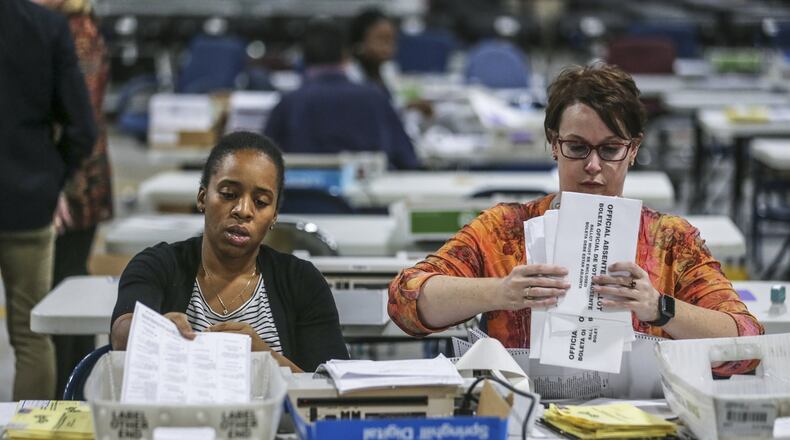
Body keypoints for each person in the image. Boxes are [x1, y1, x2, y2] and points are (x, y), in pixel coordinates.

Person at [388, 63, 763, 376]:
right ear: (554, 143)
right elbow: (405, 300)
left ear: (633, 150)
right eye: (577, 147)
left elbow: (748, 343)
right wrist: (499, 292)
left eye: (611, 149)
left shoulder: (670, 241)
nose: (593, 166)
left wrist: (659, 308)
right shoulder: (504, 230)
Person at [111, 132, 348, 372]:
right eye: (228, 195)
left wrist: (263, 358)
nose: (243, 210)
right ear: (202, 198)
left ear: (274, 215)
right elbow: (121, 337)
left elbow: (328, 387)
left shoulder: (302, 281)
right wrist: (154, 329)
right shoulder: (157, 265)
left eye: (261, 202)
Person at [0, 0, 96, 399]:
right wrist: (54, 175)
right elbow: (83, 127)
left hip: (30, 194)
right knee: (31, 334)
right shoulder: (47, 27)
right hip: (28, 199)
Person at [32, 0, 114, 397]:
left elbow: (80, 117)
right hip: (64, 180)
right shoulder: (55, 27)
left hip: (76, 186)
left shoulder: (79, 33)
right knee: (65, 292)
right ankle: (75, 395)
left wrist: (59, 186)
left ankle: (72, 395)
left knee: (65, 295)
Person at [264, 18, 419, 170]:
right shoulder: (376, 98)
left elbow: (263, 164)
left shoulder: (288, 104)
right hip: (369, 193)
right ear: (346, 55)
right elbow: (408, 159)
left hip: (304, 195)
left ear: (302, 59)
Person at [348, 8, 398, 98]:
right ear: (360, 42)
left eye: (391, 39)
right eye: (382, 39)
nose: (388, 47)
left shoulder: (390, 70)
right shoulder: (349, 75)